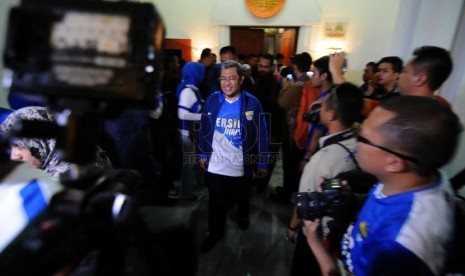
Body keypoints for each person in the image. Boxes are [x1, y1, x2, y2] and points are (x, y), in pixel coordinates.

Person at [302, 96, 461, 275]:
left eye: (362, 138)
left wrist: (315, 242)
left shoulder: (398, 247)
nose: (355, 140)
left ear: (394, 163)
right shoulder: (420, 177)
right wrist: (349, 201)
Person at [287, 83, 364, 276]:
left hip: (318, 238)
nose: (318, 106)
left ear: (331, 115)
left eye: (324, 104)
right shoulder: (361, 144)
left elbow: (304, 202)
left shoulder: (322, 160)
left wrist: (292, 226)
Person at [198, 60, 269, 252]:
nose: (227, 83)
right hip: (216, 164)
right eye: (223, 78)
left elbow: (262, 132)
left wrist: (262, 162)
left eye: (232, 78)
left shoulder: (252, 103)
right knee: (215, 203)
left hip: (241, 166)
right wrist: (203, 152)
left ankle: (243, 215)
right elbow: (204, 128)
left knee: (242, 196)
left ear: (241, 79)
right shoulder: (212, 100)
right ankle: (215, 233)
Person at [0, 106, 112, 180]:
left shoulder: (77, 172)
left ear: (44, 139)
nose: (14, 156)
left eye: (18, 146)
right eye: (9, 148)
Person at [176, 62, 205, 201]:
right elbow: (182, 114)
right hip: (185, 133)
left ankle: (193, 187)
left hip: (190, 132)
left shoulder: (192, 89)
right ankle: (186, 194)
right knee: (189, 163)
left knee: (192, 162)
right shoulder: (187, 91)